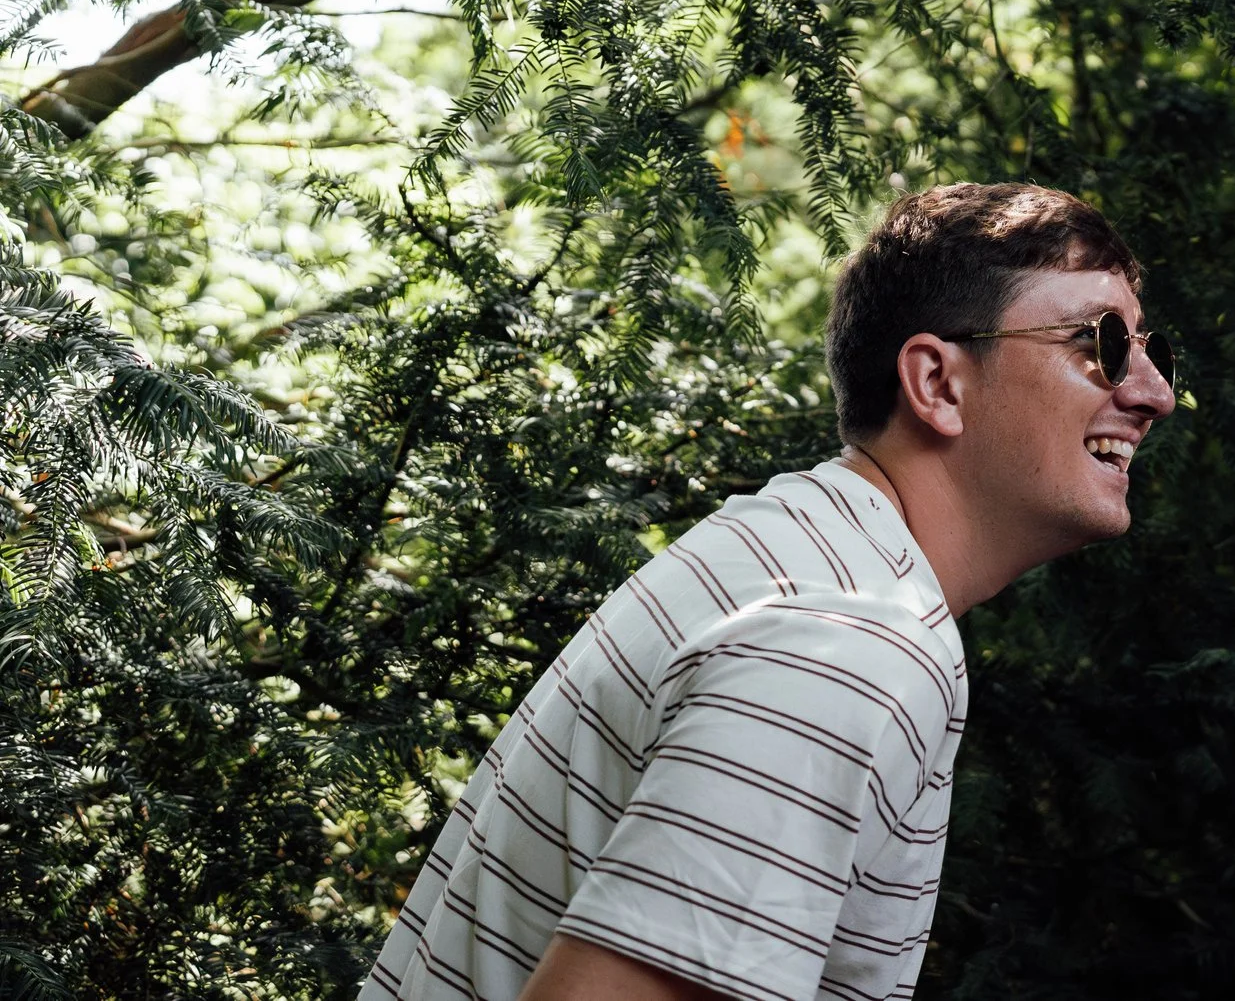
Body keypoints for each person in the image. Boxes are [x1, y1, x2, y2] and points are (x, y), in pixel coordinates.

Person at [361, 183, 1176, 1001]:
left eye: (1152, 352)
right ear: (937, 383)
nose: (1152, 393)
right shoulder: (852, 642)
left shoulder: (797, 553)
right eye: (1099, 342)